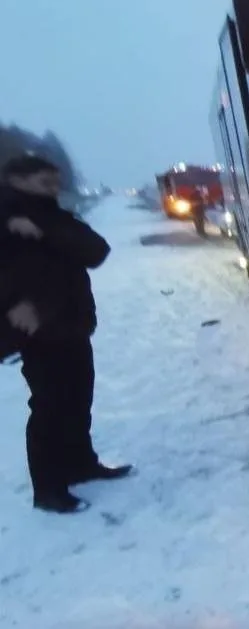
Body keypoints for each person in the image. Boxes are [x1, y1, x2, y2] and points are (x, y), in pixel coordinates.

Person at [0, 154, 132, 514]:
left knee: (77, 399)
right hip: (37, 332)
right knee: (49, 408)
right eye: (45, 182)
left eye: (56, 181)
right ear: (17, 180)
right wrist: (16, 305)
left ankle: (80, 464)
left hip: (70, 324)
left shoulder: (48, 216)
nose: (54, 188)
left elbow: (95, 250)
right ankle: (48, 489)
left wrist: (45, 230)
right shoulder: (5, 220)